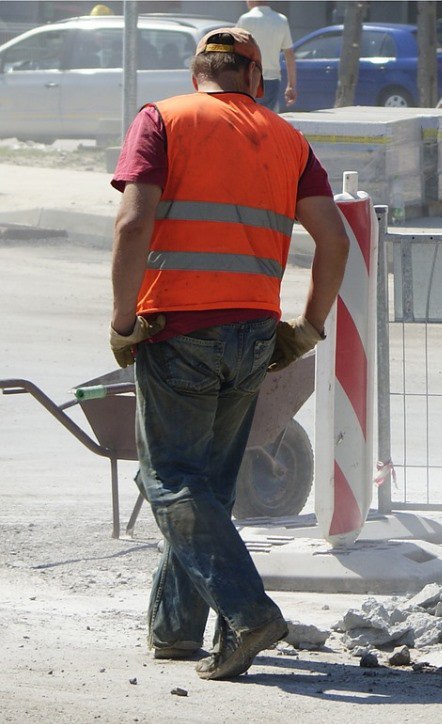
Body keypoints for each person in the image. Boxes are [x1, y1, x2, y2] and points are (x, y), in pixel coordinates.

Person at [108, 27, 349, 680]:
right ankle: (176, 632)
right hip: (253, 333)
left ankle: (248, 613)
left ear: (198, 75)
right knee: (206, 486)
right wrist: (308, 325)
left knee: (168, 480)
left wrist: (124, 320)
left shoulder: (163, 119)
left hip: (177, 329)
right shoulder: (287, 137)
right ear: (253, 79)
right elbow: (334, 238)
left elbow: (133, 223)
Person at [236, 1, 296, 111]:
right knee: (267, 119)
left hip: (249, 78)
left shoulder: (246, 19)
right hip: (272, 80)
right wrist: (291, 85)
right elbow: (289, 54)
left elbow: (234, 50)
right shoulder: (281, 20)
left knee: (248, 118)